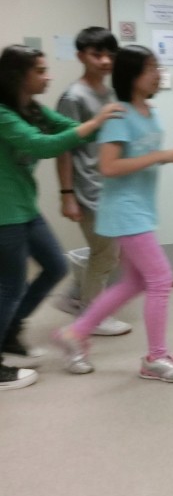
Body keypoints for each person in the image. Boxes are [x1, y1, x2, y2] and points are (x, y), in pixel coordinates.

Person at [52, 44, 173, 382]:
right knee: (161, 279)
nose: (159, 74)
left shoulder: (149, 112)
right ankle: (155, 358)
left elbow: (141, 157)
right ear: (132, 75)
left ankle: (76, 332)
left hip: (140, 209)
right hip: (124, 210)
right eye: (151, 68)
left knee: (135, 282)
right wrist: (163, 156)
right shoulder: (118, 115)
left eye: (158, 67)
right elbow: (109, 166)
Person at [0, 44, 120, 390]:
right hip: (4, 213)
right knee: (10, 286)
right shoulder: (3, 114)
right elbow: (43, 145)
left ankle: (10, 331)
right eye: (40, 71)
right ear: (17, 76)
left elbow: (72, 130)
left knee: (54, 266)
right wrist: (95, 123)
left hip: (24, 207)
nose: (48, 77)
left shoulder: (31, 108)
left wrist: (114, 121)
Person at [53, 26, 132, 337]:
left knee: (109, 251)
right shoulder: (73, 97)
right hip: (88, 188)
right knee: (106, 253)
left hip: (110, 185)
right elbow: (64, 148)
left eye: (110, 54)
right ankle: (92, 315)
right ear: (81, 56)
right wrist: (67, 194)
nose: (105, 60)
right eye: (96, 54)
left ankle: (76, 296)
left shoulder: (110, 93)